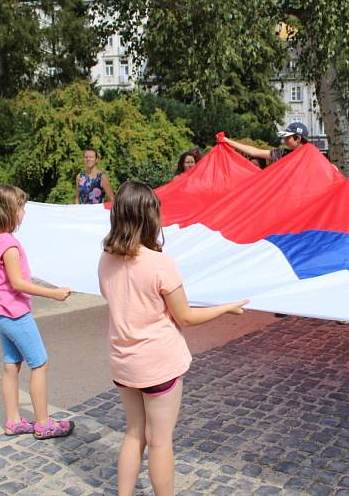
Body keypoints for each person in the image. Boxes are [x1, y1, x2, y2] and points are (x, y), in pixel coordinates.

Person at [98, 181, 248, 496]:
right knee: (160, 441)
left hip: (123, 363)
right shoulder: (160, 264)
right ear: (148, 217)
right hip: (158, 364)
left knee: (133, 433)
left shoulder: (105, 260)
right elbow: (186, 316)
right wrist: (226, 309)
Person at [0, 183, 75, 439]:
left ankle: (13, 420)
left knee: (11, 365)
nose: (23, 212)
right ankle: (44, 422)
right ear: (8, 211)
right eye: (21, 207)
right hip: (15, 314)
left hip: (0, 312)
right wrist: (53, 293)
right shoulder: (9, 245)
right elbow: (18, 283)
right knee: (40, 363)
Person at [220, 122, 309, 163]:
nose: (284, 140)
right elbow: (255, 152)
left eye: (287, 137)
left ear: (297, 138)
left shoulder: (313, 157)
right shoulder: (282, 154)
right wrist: (227, 141)